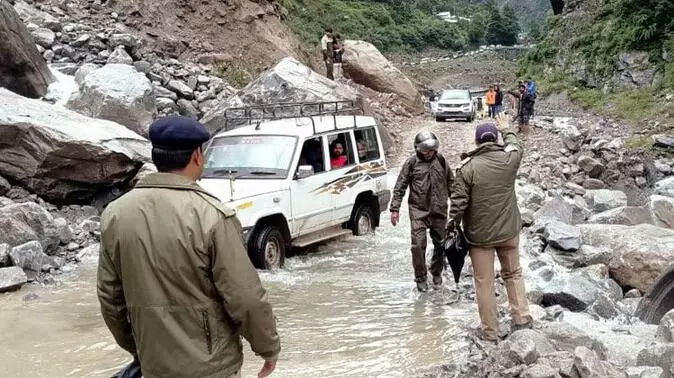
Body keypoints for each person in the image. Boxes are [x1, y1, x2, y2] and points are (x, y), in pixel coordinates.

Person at [97, 116, 281, 378]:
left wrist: (140, 348)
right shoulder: (212, 216)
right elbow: (245, 296)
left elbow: (110, 299)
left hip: (154, 365)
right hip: (212, 367)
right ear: (197, 155)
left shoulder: (116, 214)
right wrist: (268, 348)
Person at [447, 121, 533, 343]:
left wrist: (451, 225)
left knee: (484, 282)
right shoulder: (509, 159)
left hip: (480, 237)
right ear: (496, 139)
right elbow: (517, 145)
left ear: (476, 141)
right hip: (509, 232)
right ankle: (522, 320)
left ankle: (490, 333)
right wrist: (507, 128)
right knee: (513, 274)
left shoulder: (467, 168)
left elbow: (458, 204)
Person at [390, 132, 453, 292]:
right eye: (426, 150)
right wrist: (395, 209)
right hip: (418, 211)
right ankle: (420, 277)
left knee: (441, 243)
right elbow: (400, 186)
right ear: (418, 149)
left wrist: (458, 205)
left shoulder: (441, 161)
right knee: (418, 245)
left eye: (432, 150)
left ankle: (436, 271)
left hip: (439, 210)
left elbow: (452, 183)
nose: (429, 153)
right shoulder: (411, 163)